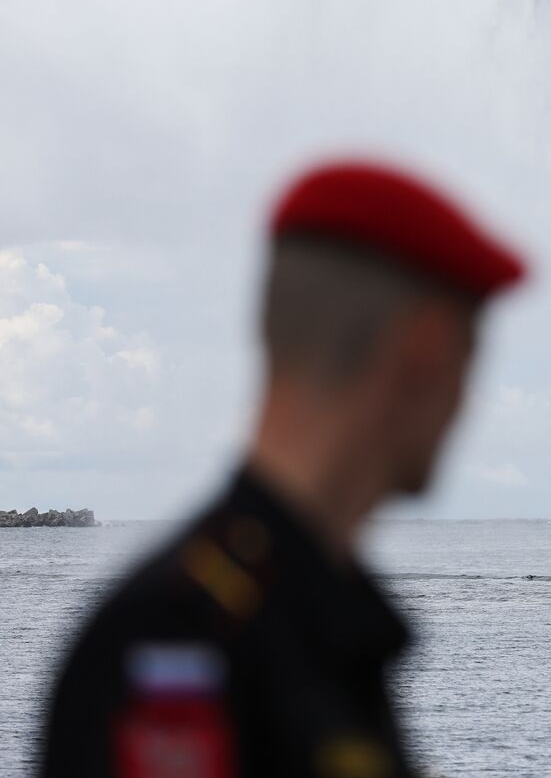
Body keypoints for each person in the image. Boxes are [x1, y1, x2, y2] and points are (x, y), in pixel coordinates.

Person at [42, 161, 525, 778]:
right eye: (468, 361)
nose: (465, 403)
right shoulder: (176, 643)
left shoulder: (314, 625)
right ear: (423, 351)